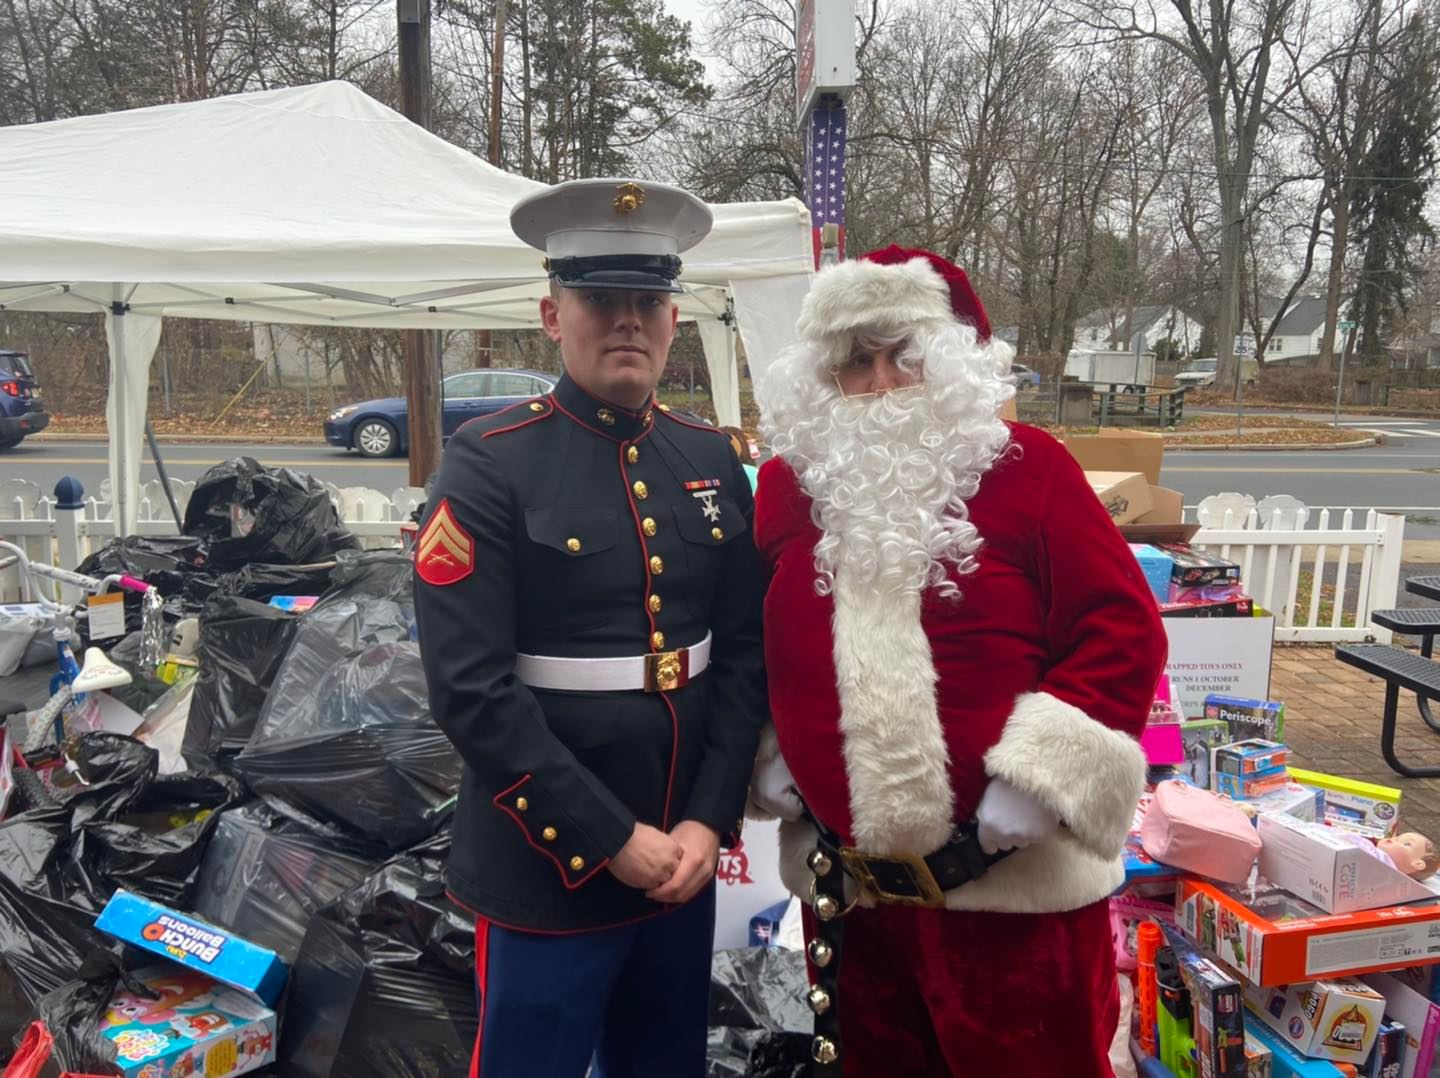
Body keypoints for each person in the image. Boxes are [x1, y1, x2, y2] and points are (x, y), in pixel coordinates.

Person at [748, 245, 1167, 1076]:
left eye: (901, 357)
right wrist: (772, 748)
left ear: (947, 362)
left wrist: (1043, 777)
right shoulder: (789, 489)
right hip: (854, 905)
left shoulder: (1030, 469)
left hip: (1013, 906)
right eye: (855, 363)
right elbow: (760, 638)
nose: (879, 383)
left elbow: (1121, 627)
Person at [413, 178, 768, 1078]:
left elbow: (742, 655)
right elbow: (470, 689)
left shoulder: (707, 455)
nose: (627, 322)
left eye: (647, 301)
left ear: (674, 317)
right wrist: (610, 837)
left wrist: (708, 819)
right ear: (551, 314)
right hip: (549, 863)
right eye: (601, 298)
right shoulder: (488, 464)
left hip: (681, 857)